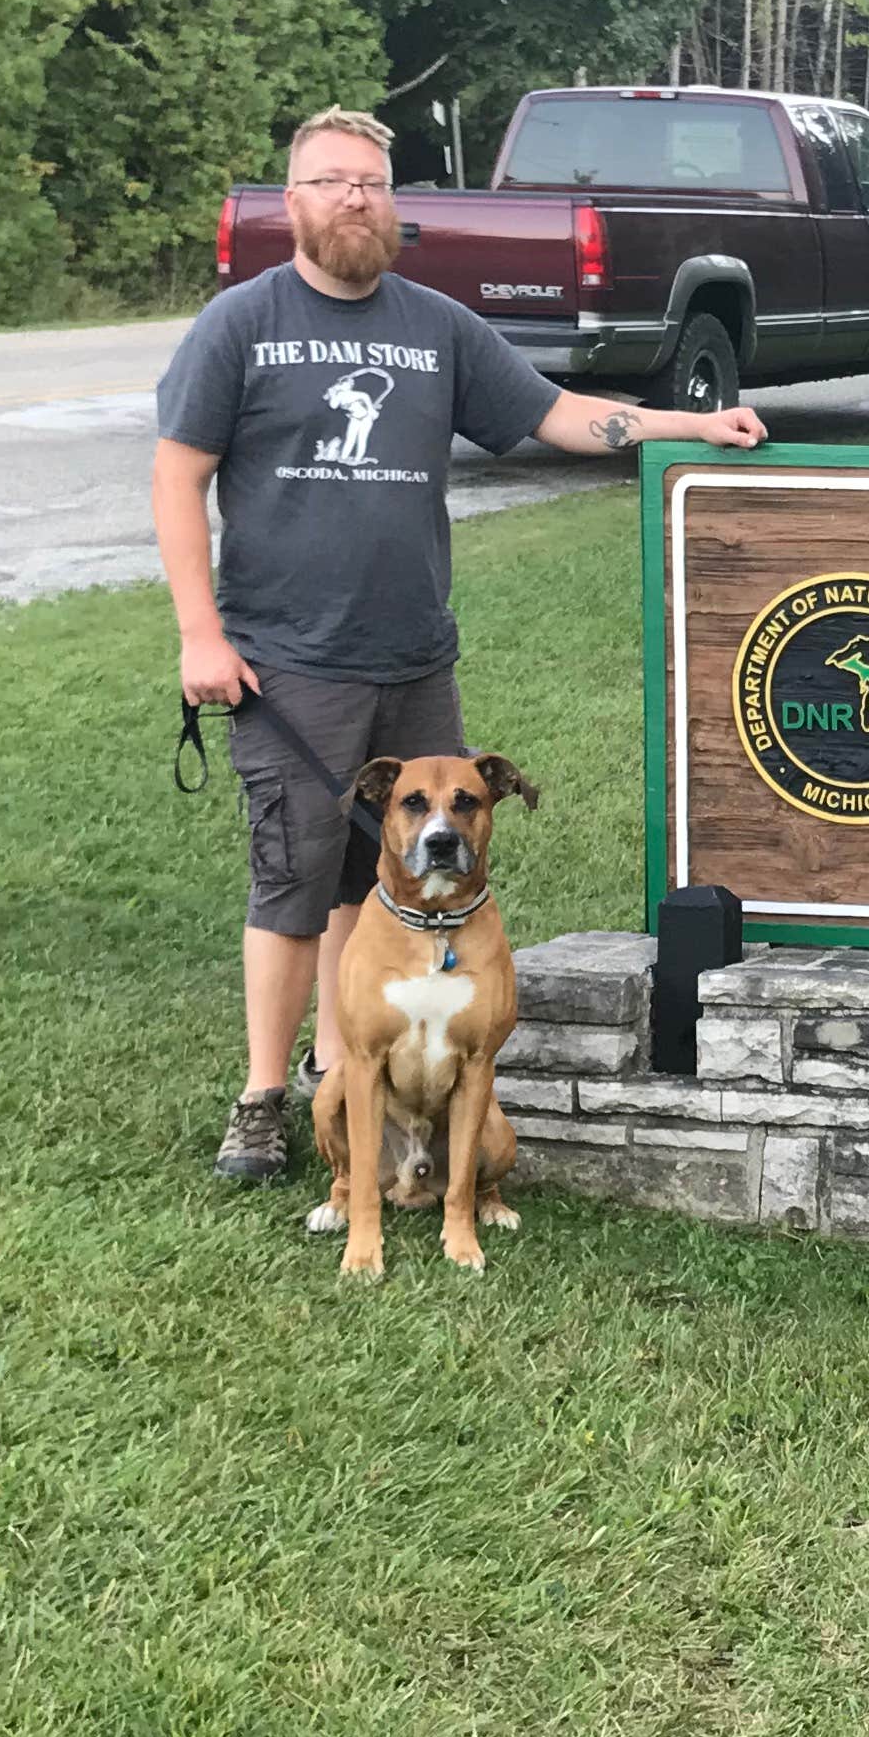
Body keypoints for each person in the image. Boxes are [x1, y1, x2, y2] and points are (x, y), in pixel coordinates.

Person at [153, 105, 769, 1183]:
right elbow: (178, 474)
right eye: (333, 181)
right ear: (290, 202)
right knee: (293, 882)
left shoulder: (433, 325)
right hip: (290, 664)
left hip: (413, 661)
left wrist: (688, 426)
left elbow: (558, 413)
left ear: (397, 204)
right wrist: (200, 634)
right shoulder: (239, 326)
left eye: (374, 184)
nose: (355, 198)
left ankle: (338, 1067)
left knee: (387, 878)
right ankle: (260, 1097)